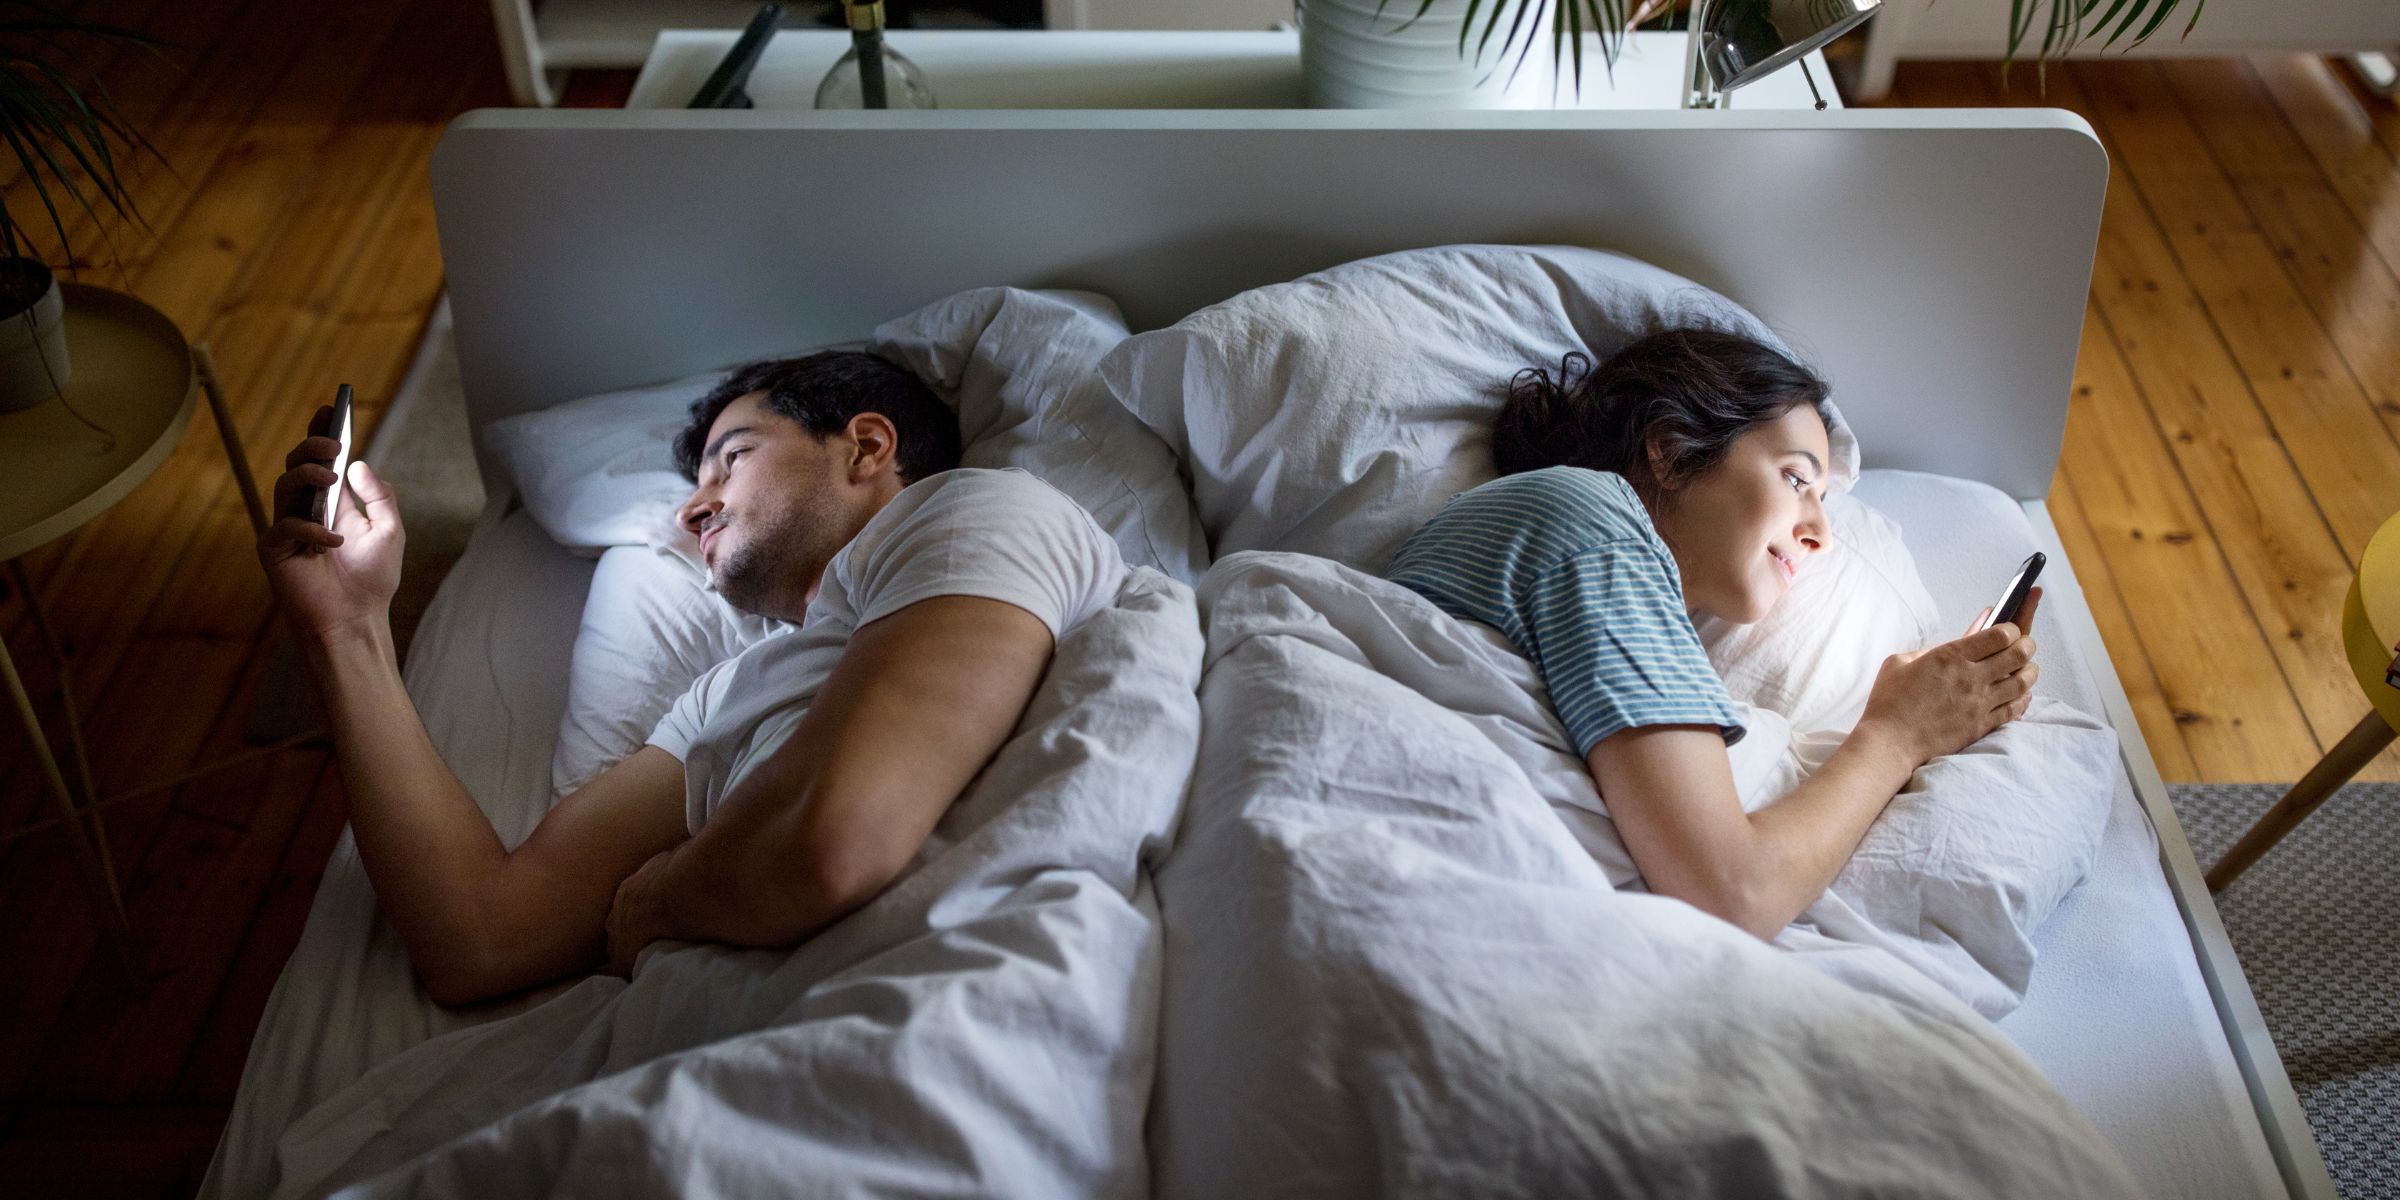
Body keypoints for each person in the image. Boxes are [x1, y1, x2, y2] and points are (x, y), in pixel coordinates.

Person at [259, 350, 1127, 1006]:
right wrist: (345, 627)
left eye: (733, 458)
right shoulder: (723, 697)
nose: (691, 506)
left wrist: (660, 901)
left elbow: (835, 846)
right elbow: (481, 936)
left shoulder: (976, 510)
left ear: (865, 446)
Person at [1385, 329, 2041, 941]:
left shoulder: (1587, 569)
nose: (1823, 532)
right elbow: (1735, 890)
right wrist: (1899, 733)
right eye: (1795, 478)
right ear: (1670, 449)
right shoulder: (1594, 519)